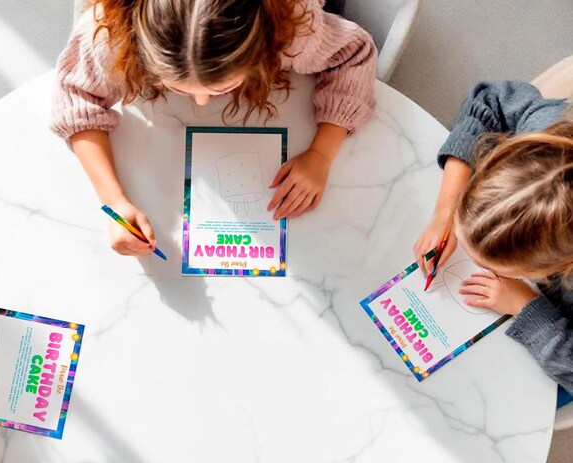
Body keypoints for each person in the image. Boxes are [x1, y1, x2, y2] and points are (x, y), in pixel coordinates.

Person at [52, 0, 376, 256]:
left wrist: (321, 153)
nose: (202, 102)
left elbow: (353, 53)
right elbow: (75, 94)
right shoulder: (112, 34)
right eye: (179, 87)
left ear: (263, 49)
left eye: (221, 88)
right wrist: (115, 203)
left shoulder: (295, 31)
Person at [413, 79, 573, 395]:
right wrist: (447, 210)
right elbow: (490, 99)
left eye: (498, 266)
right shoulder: (544, 133)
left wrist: (527, 306)